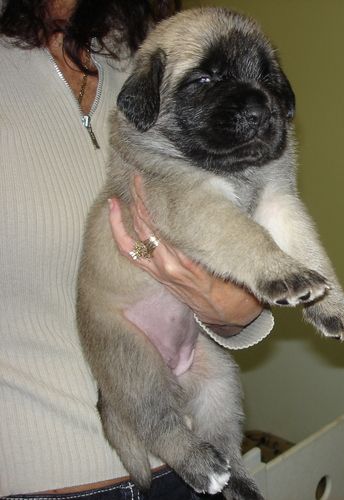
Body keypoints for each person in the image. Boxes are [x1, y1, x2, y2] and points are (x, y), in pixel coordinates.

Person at [0, 0, 274, 497]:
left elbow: (231, 232)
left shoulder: (158, 51)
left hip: (194, 463)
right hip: (41, 472)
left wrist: (239, 308)